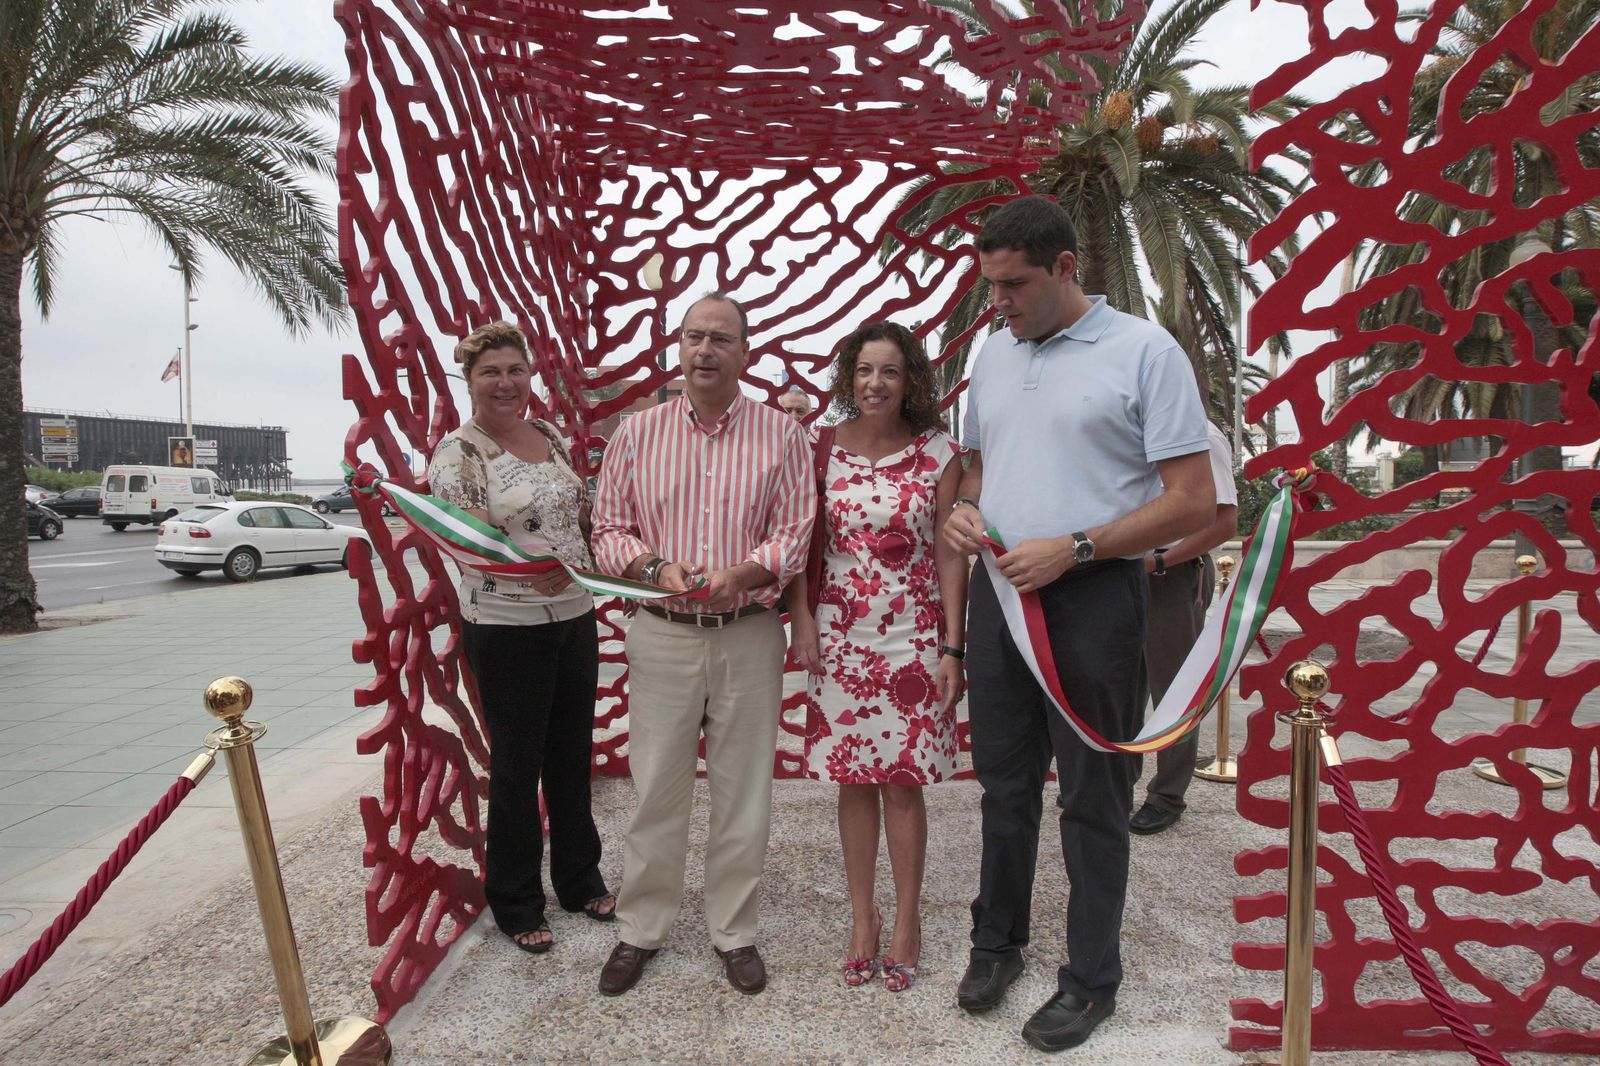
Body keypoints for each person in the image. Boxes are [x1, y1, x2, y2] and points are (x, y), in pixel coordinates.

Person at [943, 195, 1214, 1052]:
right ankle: (998, 945)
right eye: (989, 285)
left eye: (1015, 284)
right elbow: (981, 471)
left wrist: (1081, 547)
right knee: (1004, 788)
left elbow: (1192, 501)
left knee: (1095, 797)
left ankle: (1092, 979)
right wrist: (964, 515)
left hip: (1094, 599)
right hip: (1001, 597)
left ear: (1067, 267)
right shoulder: (992, 353)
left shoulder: (1144, 352)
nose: (1000, 303)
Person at [590, 293, 814, 997]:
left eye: (721, 339)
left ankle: (735, 931)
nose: (706, 350)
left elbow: (797, 531)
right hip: (661, 633)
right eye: (694, 337)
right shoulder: (637, 434)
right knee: (656, 785)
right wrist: (658, 570)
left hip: (748, 632)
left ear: (745, 352)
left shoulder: (782, 435)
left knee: (742, 790)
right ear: (678, 348)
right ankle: (642, 927)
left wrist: (745, 573)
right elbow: (608, 531)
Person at [786, 322, 967, 994]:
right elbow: (806, 542)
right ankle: (862, 920)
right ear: (847, 377)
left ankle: (907, 924)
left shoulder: (941, 452)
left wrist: (953, 645)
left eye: (889, 371)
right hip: (840, 635)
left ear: (911, 380)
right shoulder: (820, 446)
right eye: (864, 371)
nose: (874, 384)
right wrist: (802, 617)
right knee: (852, 779)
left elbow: (951, 552)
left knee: (902, 781)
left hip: (914, 637)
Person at [426, 321, 614, 955]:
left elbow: (579, 515)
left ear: (529, 375)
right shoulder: (460, 454)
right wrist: (531, 566)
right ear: (470, 382)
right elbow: (467, 542)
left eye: (515, 370)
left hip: (574, 615)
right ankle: (514, 899)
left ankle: (578, 878)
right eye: (490, 373)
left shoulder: (552, 435)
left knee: (570, 755)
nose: (506, 384)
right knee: (516, 767)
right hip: (507, 629)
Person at [1130, 420, 1239, 835]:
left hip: (1170, 575)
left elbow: (1223, 521)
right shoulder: (1132, 430)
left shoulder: (1200, 434)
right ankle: (1119, 782)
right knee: (1123, 686)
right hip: (1122, 570)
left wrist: (1158, 562)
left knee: (1174, 689)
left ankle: (1167, 795)